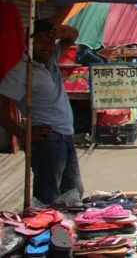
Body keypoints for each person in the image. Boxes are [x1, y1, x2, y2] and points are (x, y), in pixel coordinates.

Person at [0, 20, 83, 204]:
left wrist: (59, 31)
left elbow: (73, 36)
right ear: (29, 42)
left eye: (50, 42)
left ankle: (64, 232)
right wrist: (22, 134)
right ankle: (47, 232)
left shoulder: (51, 60)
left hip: (66, 136)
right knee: (48, 197)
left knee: (73, 194)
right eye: (41, 42)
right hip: (48, 141)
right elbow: (2, 108)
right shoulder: (22, 71)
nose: (48, 47)